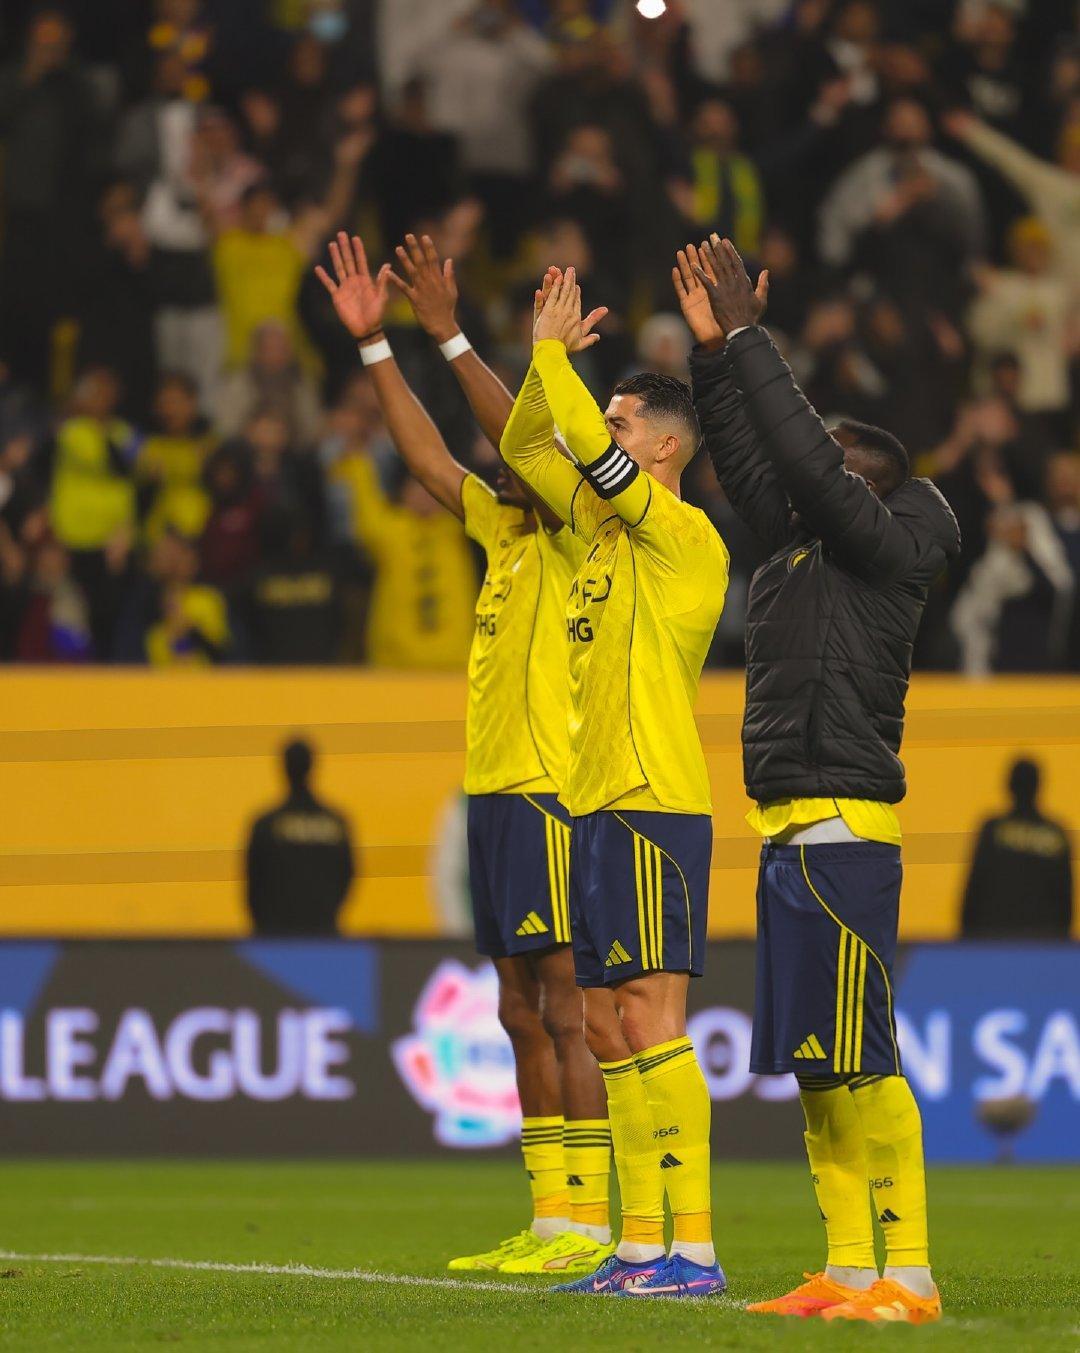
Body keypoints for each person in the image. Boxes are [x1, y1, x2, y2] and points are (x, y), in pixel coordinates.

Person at [315, 232, 613, 1276]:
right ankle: (551, 1216)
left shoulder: (583, 536)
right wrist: (374, 347)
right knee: (517, 1008)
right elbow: (428, 459)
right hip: (493, 795)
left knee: (568, 1006)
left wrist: (447, 334)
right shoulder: (502, 532)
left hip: (547, 792)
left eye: (523, 452)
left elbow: (512, 436)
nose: (499, 463)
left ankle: (591, 1225)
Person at [682, 235, 960, 1324]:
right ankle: (847, 1267)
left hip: (847, 828)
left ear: (862, 483)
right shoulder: (798, 551)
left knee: (865, 1061)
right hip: (787, 829)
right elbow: (756, 461)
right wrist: (716, 357)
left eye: (831, 460)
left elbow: (797, 456)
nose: (805, 469)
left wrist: (755, 338)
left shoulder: (884, 550)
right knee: (817, 1066)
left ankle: (911, 1276)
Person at [500, 268, 730, 1299]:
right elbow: (524, 450)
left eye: (623, 422)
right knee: (600, 1025)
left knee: (648, 1021)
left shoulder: (682, 536)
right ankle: (640, 1245)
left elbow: (582, 450)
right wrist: (537, 366)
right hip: (593, 803)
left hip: (650, 800)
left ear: (664, 448)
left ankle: (698, 1249)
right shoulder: (598, 532)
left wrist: (555, 356)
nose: (606, 434)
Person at [245, 738, 355, 936]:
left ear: (284, 768)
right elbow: (347, 874)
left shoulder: (267, 824)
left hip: (276, 934)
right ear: (312, 767)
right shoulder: (335, 823)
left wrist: (263, 927)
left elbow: (253, 882)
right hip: (323, 932)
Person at [961, 758, 1073, 940]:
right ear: (1038, 786)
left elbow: (974, 888)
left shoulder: (994, 829)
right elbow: (1065, 899)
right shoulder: (1056, 834)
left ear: (1009, 785)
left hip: (994, 938)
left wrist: (966, 940)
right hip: (1042, 940)